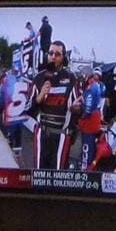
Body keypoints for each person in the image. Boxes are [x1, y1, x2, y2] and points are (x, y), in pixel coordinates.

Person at [32, 39, 81, 170]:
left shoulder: (71, 78)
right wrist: (40, 96)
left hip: (62, 135)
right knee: (39, 174)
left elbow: (79, 106)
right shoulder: (38, 78)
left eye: (57, 54)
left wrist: (76, 108)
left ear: (63, 57)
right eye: (51, 53)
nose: (53, 56)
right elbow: (28, 109)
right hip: (42, 133)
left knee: (57, 175)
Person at [77, 70, 105, 169]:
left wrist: (81, 117)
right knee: (91, 145)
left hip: (90, 121)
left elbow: (88, 107)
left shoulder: (90, 88)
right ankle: (89, 165)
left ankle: (85, 169)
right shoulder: (97, 85)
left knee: (87, 146)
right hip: (95, 118)